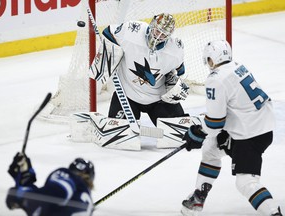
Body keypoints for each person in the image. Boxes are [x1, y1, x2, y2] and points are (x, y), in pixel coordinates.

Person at [181, 40, 282, 216]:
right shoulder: (237, 67)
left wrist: (197, 132)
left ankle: (273, 212)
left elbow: (214, 124)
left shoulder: (215, 79)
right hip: (258, 127)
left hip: (249, 135)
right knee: (211, 148)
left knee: (246, 182)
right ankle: (198, 196)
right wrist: (204, 133)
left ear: (212, 59)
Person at [92, 13, 190, 126]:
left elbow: (180, 72)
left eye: (163, 35)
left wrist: (174, 81)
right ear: (152, 25)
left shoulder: (174, 50)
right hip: (127, 96)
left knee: (182, 135)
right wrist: (109, 55)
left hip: (159, 99)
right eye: (157, 31)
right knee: (118, 138)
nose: (158, 37)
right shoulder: (132, 30)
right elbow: (108, 33)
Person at [6, 152, 95, 216]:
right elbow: (47, 205)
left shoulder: (68, 176)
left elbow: (52, 195)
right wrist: (26, 180)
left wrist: (22, 194)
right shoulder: (87, 202)